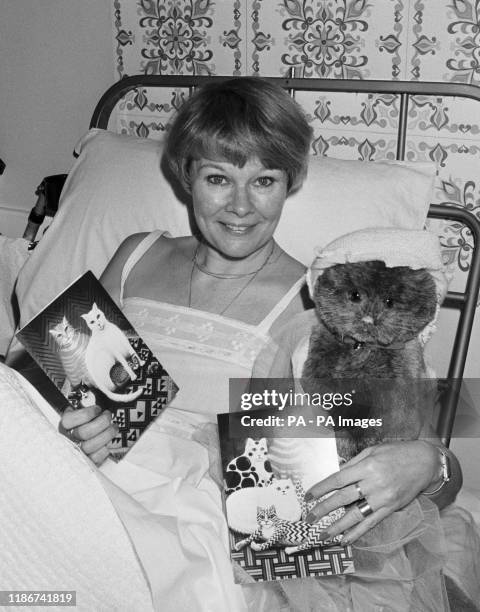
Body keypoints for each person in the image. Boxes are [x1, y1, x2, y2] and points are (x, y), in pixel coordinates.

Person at [59, 78, 478, 611]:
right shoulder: (136, 254)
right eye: (218, 178)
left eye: (263, 181)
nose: (239, 206)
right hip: (88, 486)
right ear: (185, 174)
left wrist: (422, 462)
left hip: (205, 525)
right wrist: (75, 420)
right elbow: (73, 387)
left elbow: (444, 478)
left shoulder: (327, 308)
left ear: (291, 182)